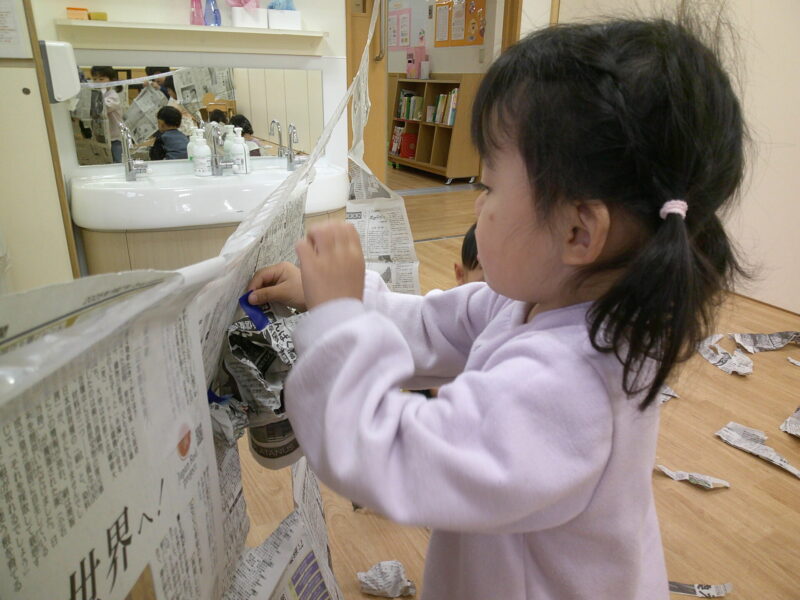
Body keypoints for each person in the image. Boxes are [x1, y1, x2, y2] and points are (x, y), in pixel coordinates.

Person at [247, 18, 745, 600]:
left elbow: (387, 455)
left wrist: (337, 323)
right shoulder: (537, 301)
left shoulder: (570, 389)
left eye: (487, 187)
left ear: (579, 232)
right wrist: (343, 296)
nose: (476, 206)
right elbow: (431, 326)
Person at [90, 66, 123, 163]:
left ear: (112, 81)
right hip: (105, 134)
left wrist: (101, 93)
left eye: (101, 79)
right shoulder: (100, 94)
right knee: (105, 157)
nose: (97, 82)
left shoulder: (113, 95)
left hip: (115, 135)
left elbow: (103, 109)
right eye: (95, 79)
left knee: (117, 159)